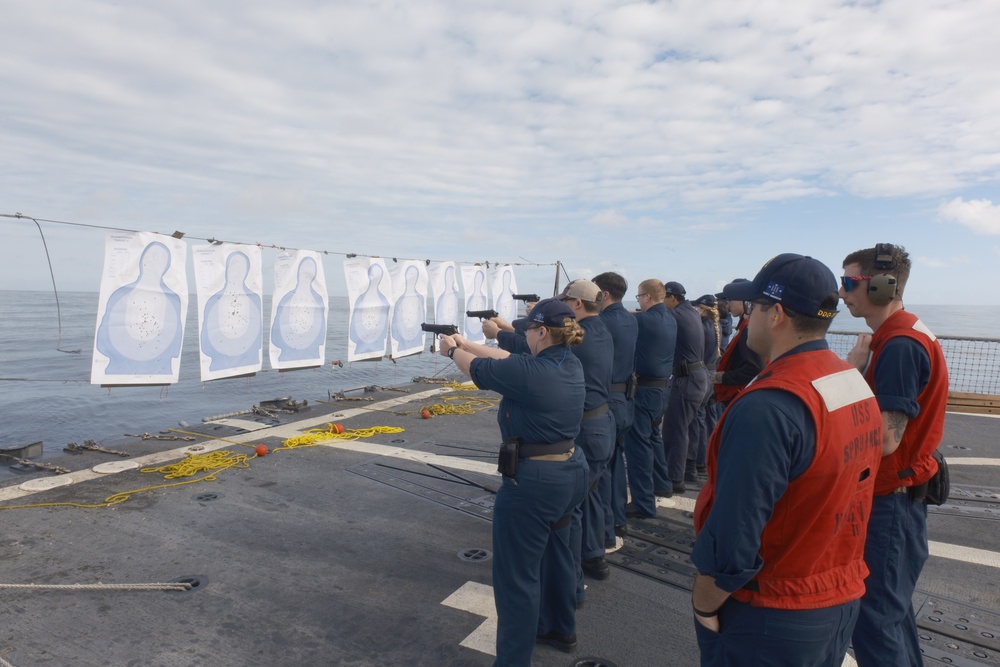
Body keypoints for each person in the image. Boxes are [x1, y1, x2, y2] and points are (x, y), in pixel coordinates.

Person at [691, 253, 883, 667]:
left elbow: (734, 534)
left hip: (772, 611)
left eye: (755, 308)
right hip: (837, 594)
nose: (747, 320)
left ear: (775, 313)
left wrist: (704, 605)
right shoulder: (851, 380)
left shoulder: (770, 405)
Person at [437, 298, 589, 665]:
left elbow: (477, 369)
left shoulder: (534, 372)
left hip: (534, 483)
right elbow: (506, 359)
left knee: (516, 581)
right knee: (558, 556)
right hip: (570, 471)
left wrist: (452, 351)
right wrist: (464, 339)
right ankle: (559, 627)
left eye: (528, 330)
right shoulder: (568, 363)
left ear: (539, 331)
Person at [840, 244, 949, 667]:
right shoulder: (900, 334)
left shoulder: (900, 345)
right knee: (892, 616)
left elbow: (886, 439)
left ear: (883, 286)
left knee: (875, 622)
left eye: (850, 282)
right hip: (898, 500)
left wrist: (851, 372)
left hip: (890, 504)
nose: (843, 292)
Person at [553, 280, 616, 593]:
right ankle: (595, 556)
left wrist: (499, 333)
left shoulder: (582, 337)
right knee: (592, 492)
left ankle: (572, 587)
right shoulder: (602, 328)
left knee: (571, 507)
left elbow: (537, 347)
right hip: (604, 422)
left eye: (566, 301)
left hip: (587, 429)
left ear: (577, 304)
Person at [623, 279, 676, 518]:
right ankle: (662, 484)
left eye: (638, 297)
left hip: (645, 390)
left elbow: (620, 319)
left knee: (638, 446)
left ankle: (643, 503)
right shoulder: (670, 319)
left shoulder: (643, 320)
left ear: (646, 297)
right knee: (654, 437)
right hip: (663, 388)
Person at [592, 271, 638, 544]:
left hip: (607, 401)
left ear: (605, 294)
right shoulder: (631, 320)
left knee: (601, 472)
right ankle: (618, 518)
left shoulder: (600, 324)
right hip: (625, 400)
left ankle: (605, 532)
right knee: (616, 463)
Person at [661, 281, 710, 493]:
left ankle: (673, 479)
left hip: (687, 378)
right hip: (699, 376)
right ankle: (687, 471)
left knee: (675, 429)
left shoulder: (676, 315)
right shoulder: (690, 311)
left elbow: (651, 318)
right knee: (690, 427)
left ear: (671, 297)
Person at [711, 279, 764, 410]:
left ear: (743, 301)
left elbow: (755, 368)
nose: (728, 305)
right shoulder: (744, 328)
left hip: (739, 396)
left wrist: (723, 377)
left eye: (730, 300)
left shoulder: (747, 330)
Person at [692, 294, 721, 479]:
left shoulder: (703, 328)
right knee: (701, 419)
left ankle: (697, 460)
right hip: (711, 374)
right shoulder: (714, 326)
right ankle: (702, 460)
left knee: (696, 420)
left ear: (703, 309)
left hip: (703, 374)